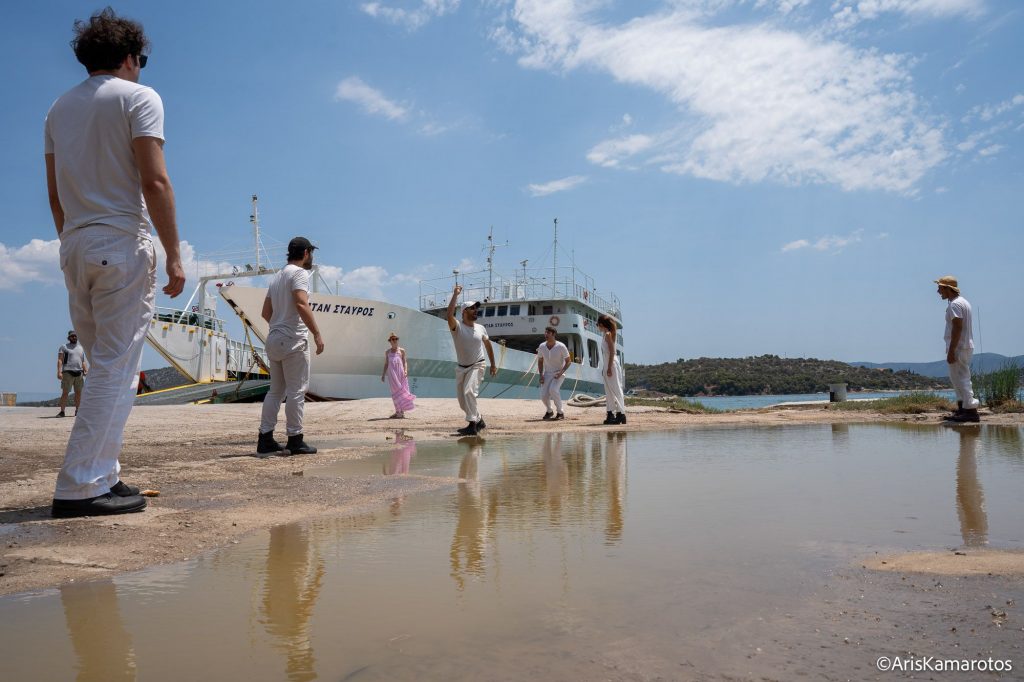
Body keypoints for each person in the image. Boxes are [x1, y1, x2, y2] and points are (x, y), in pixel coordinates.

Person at [46, 8, 185, 518]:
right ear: (128, 57)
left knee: (106, 362)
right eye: (141, 59)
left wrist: (73, 243)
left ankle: (104, 473)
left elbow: (55, 194)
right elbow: (155, 182)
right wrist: (174, 253)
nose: (142, 68)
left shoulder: (58, 109)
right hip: (121, 240)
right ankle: (80, 485)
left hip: (75, 244)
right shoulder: (139, 97)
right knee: (115, 368)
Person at [256, 237, 325, 455]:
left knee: (275, 392)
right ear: (306, 252)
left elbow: (265, 313)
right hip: (293, 340)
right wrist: (317, 333)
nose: (311, 257)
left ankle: (265, 439)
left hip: (274, 339)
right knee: (296, 391)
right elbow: (301, 303)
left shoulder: (277, 277)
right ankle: (295, 439)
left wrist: (279, 327)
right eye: (311, 253)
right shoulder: (299, 273)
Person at [446, 283, 497, 436]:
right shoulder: (457, 327)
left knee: (469, 392)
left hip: (477, 364)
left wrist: (493, 365)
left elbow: (488, 346)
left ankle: (472, 426)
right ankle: (479, 419)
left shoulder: (481, 328)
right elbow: (449, 315)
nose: (476, 310)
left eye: (477, 308)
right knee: (462, 401)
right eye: (472, 308)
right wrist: (455, 294)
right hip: (462, 368)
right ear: (464, 312)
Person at [936, 275, 980, 422]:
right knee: (957, 378)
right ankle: (963, 409)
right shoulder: (963, 302)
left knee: (961, 378)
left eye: (940, 288)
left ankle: (970, 411)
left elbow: (957, 327)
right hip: (964, 345)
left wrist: (952, 350)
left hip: (959, 346)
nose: (938, 291)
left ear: (948, 289)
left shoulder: (955, 304)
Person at [597, 314, 626, 425]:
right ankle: (611, 414)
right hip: (608, 364)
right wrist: (605, 368)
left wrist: (608, 368)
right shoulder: (605, 334)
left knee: (616, 389)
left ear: (601, 325)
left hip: (611, 364)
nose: (597, 327)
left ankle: (620, 414)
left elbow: (613, 352)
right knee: (609, 390)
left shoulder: (608, 335)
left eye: (598, 324)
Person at [537, 326, 570, 420]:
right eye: (545, 332)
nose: (546, 334)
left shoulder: (561, 346)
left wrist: (561, 372)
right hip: (547, 374)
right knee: (543, 396)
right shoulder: (542, 346)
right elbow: (540, 361)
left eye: (548, 333)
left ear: (553, 334)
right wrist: (541, 375)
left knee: (553, 390)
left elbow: (568, 361)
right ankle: (549, 411)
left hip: (558, 374)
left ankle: (560, 412)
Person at [381, 332, 415, 418]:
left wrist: (406, 370)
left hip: (401, 373)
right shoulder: (387, 352)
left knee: (403, 391)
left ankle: (402, 412)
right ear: (390, 341)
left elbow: (405, 361)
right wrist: (383, 374)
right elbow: (386, 364)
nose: (395, 340)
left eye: (396, 339)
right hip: (392, 375)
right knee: (395, 392)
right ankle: (397, 411)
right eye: (393, 339)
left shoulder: (402, 350)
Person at [56, 330, 88, 417]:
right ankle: (62, 411)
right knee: (65, 392)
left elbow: (83, 361)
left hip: (79, 373)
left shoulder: (81, 348)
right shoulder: (64, 347)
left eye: (75, 336)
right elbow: (60, 360)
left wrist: (86, 370)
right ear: (69, 337)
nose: (74, 337)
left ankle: (78, 411)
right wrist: (59, 372)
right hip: (67, 372)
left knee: (78, 393)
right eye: (72, 336)